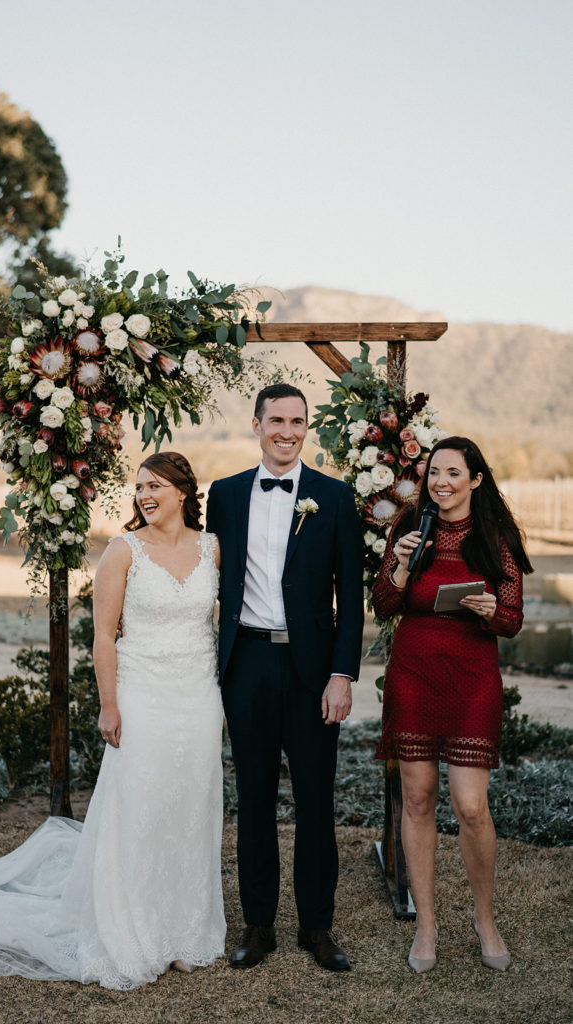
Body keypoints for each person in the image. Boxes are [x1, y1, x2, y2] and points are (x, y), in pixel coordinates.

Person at [0, 452, 225, 990]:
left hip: (198, 698)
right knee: (138, 810)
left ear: (183, 491)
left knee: (190, 808)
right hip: (142, 697)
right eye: (138, 485)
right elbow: (103, 635)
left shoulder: (212, 548)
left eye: (155, 485)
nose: (143, 494)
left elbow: (219, 624)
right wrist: (109, 704)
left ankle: (185, 932)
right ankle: (134, 932)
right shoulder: (122, 550)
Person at [206, 383, 364, 972]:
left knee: (316, 798)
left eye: (298, 422)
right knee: (253, 798)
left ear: (306, 429)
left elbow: (351, 598)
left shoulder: (335, 497)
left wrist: (341, 674)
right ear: (256, 424)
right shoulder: (222, 496)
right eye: (277, 420)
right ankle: (258, 925)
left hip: (313, 670)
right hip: (245, 663)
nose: (288, 431)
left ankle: (318, 928)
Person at [372, 436, 532, 974]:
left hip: (471, 677)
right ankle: (426, 925)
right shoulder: (409, 527)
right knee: (417, 799)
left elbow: (512, 621)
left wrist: (490, 609)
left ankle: (486, 920)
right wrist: (397, 570)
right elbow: (384, 605)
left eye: (453, 474)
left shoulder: (496, 536)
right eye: (433, 472)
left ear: (476, 480)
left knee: (469, 806)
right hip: (414, 673)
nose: (440, 482)